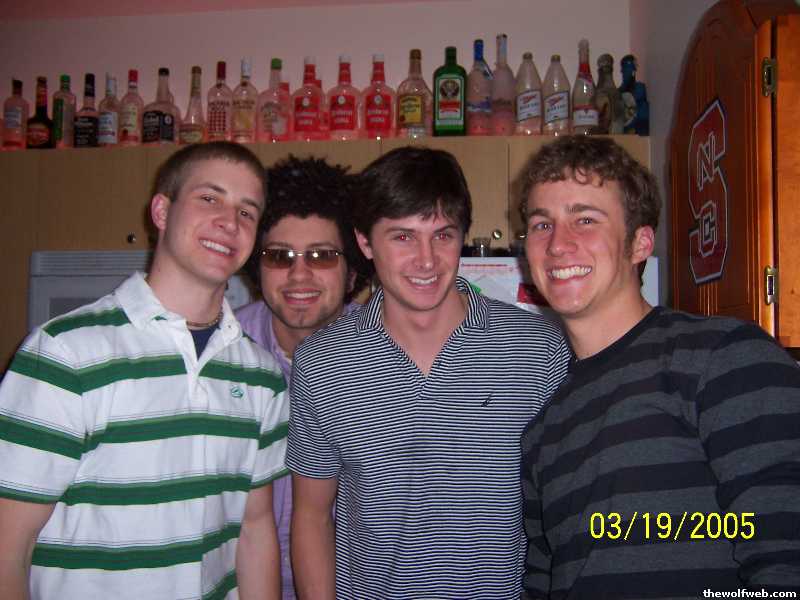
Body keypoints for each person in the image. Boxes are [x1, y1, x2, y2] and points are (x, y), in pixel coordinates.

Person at [0, 142, 288, 600]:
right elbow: (8, 546)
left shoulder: (261, 376)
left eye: (246, 212)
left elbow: (253, 531)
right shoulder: (63, 354)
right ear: (161, 211)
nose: (229, 222)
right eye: (209, 198)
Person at [520, 135, 800, 598]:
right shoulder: (545, 429)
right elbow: (544, 582)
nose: (558, 245)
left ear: (639, 244)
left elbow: (787, 568)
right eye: (541, 224)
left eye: (585, 219)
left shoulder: (723, 358)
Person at [286, 146, 571, 600]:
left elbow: (564, 510)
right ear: (365, 242)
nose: (426, 260)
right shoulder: (323, 362)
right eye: (402, 237)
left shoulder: (535, 348)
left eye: (443, 235)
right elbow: (312, 515)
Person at [236, 155, 372, 599]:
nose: (299, 274)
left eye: (321, 256)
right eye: (280, 256)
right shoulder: (223, 353)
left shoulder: (383, 356)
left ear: (353, 270)